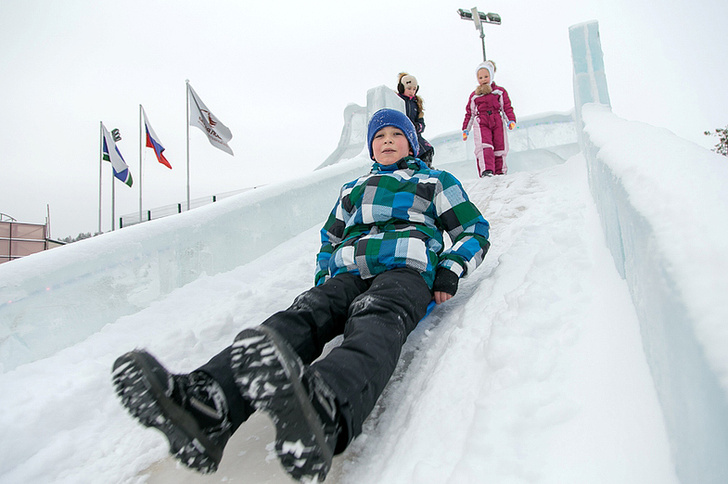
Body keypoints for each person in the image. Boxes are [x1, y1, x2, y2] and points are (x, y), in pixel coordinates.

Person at [111, 108, 490, 483]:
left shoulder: (435, 181)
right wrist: (324, 277)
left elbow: (474, 229)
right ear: (371, 149)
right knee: (302, 315)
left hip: (405, 270)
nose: (387, 141)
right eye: (379, 137)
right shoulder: (353, 189)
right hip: (348, 271)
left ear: (412, 142)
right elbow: (330, 239)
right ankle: (207, 405)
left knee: (376, 320)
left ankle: (326, 406)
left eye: (396, 135)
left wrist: (450, 268)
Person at [462, 60, 517, 177]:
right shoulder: (475, 96)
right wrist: (466, 129)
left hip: (497, 120)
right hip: (482, 122)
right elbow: (470, 113)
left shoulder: (498, 92)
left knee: (500, 145)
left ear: (491, 76)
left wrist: (510, 120)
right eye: (480, 77)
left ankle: (500, 171)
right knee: (484, 145)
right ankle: (487, 170)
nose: (483, 80)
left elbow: (506, 107)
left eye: (486, 76)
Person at [397, 72, 435, 167]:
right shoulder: (397, 101)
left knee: (427, 150)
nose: (412, 92)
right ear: (402, 88)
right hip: (404, 136)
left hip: (416, 137)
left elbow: (422, 123)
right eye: (409, 89)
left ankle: (426, 170)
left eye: (414, 89)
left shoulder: (416, 104)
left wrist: (418, 127)